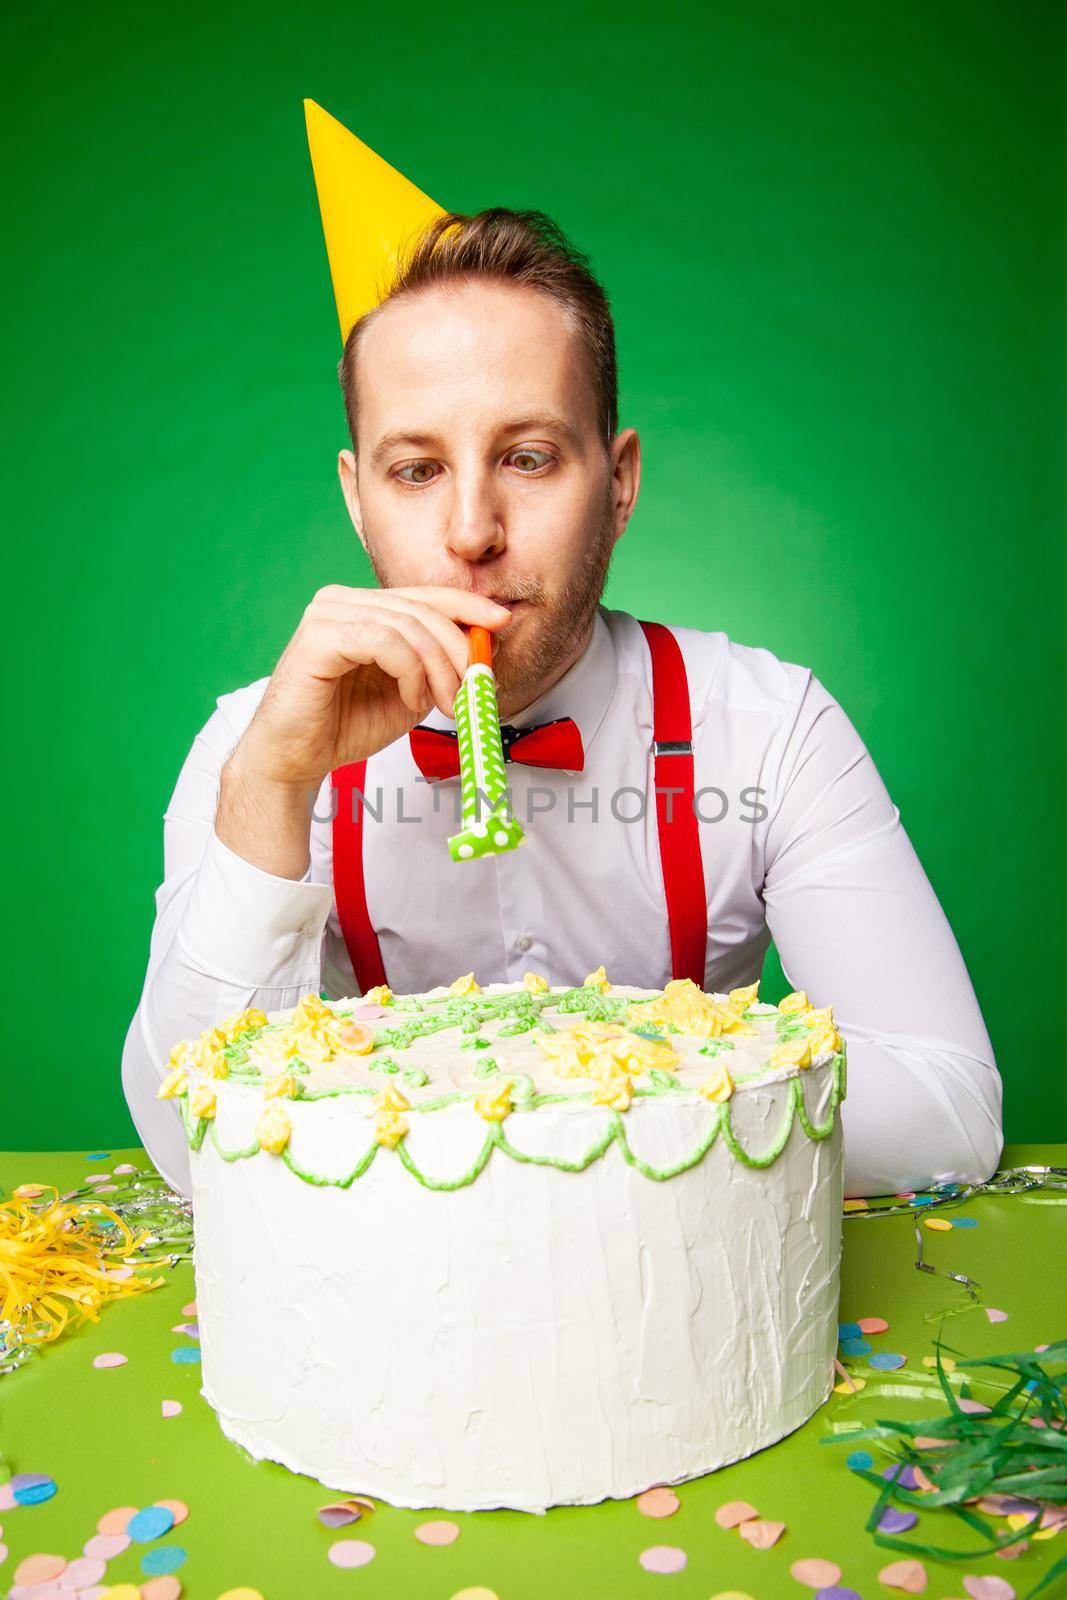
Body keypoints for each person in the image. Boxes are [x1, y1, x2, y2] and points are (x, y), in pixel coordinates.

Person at [121, 205, 1003, 1201]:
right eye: (415, 471)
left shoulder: (767, 727)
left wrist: (557, 1092)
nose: (469, 532)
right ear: (357, 496)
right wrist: (270, 792)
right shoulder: (254, 749)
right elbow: (187, 1146)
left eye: (527, 457)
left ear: (617, 484)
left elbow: (946, 1112)